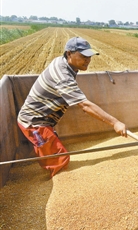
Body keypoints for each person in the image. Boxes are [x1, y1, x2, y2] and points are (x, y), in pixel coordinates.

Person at [17, 37, 127, 177]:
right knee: (59, 161)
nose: (88, 60)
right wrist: (115, 122)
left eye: (89, 56)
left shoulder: (65, 64)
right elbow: (85, 105)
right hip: (35, 123)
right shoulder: (63, 75)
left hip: (43, 121)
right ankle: (62, 186)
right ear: (69, 53)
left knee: (54, 154)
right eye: (83, 56)